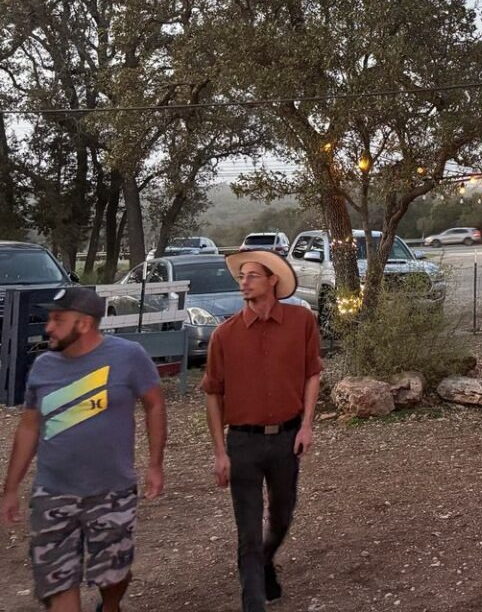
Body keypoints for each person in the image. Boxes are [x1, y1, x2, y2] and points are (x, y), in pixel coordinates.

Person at [2, 286, 166, 611]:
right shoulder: (43, 367)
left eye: (57, 320)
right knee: (58, 581)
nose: (48, 327)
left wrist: (155, 464)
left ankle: (110, 605)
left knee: (113, 574)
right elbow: (29, 426)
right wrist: (10, 488)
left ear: (84, 324)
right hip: (53, 492)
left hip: (111, 489)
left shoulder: (129, 356)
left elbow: (154, 404)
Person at [203, 250, 322, 612]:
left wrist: (306, 425)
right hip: (243, 442)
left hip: (287, 438)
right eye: (241, 276)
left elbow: (312, 373)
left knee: (283, 515)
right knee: (249, 530)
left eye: (252, 275)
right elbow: (213, 394)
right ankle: (253, 599)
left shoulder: (301, 321)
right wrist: (220, 451)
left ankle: (266, 561)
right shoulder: (224, 336)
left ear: (272, 280)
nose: (244, 282)